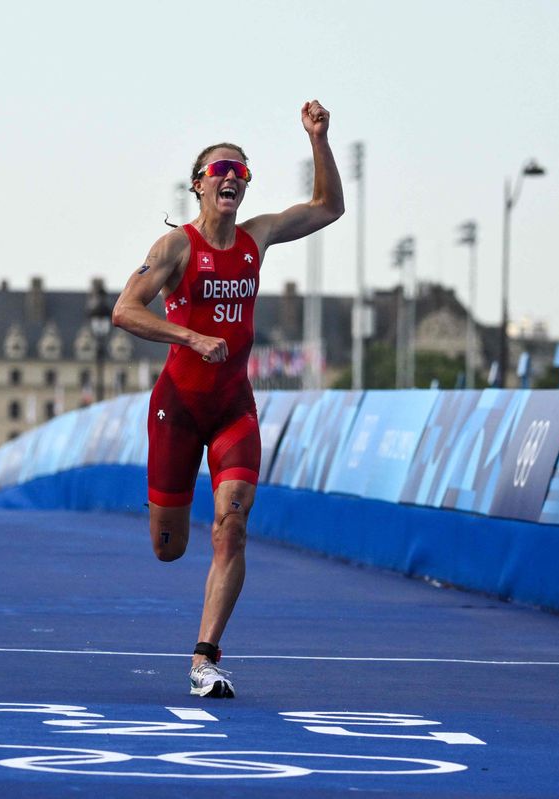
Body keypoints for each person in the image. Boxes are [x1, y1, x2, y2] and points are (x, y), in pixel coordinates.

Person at [112, 100, 344, 698]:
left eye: (241, 171)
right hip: (178, 409)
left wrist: (318, 140)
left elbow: (328, 208)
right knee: (169, 549)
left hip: (234, 407)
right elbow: (124, 310)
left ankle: (205, 658)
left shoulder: (256, 237)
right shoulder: (175, 248)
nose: (233, 177)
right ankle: (171, 511)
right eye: (221, 170)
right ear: (198, 185)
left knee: (232, 525)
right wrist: (189, 335)